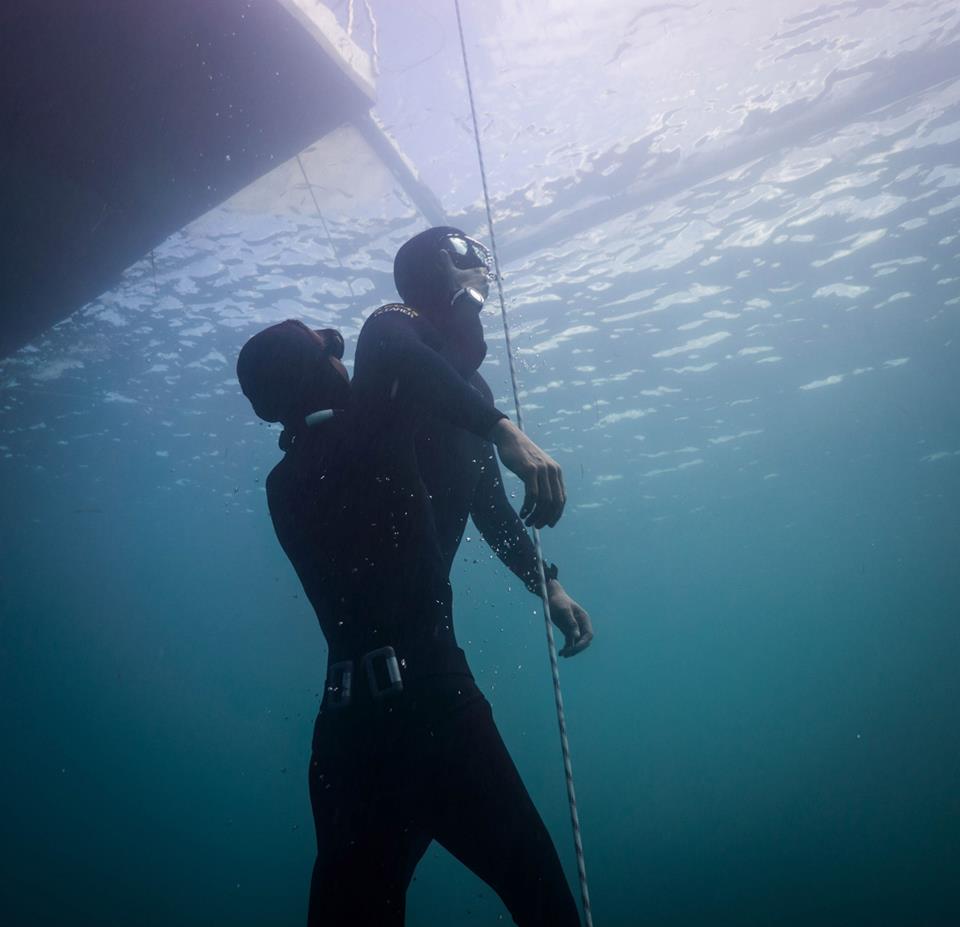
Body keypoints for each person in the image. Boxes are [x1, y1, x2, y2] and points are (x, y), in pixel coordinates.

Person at [236, 229, 589, 925]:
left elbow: (477, 492)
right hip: (432, 709)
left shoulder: (285, 483)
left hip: (345, 738)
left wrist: (543, 579)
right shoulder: (381, 421)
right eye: (326, 345)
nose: (343, 346)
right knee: (543, 903)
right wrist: (503, 429)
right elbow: (401, 346)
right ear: (321, 368)